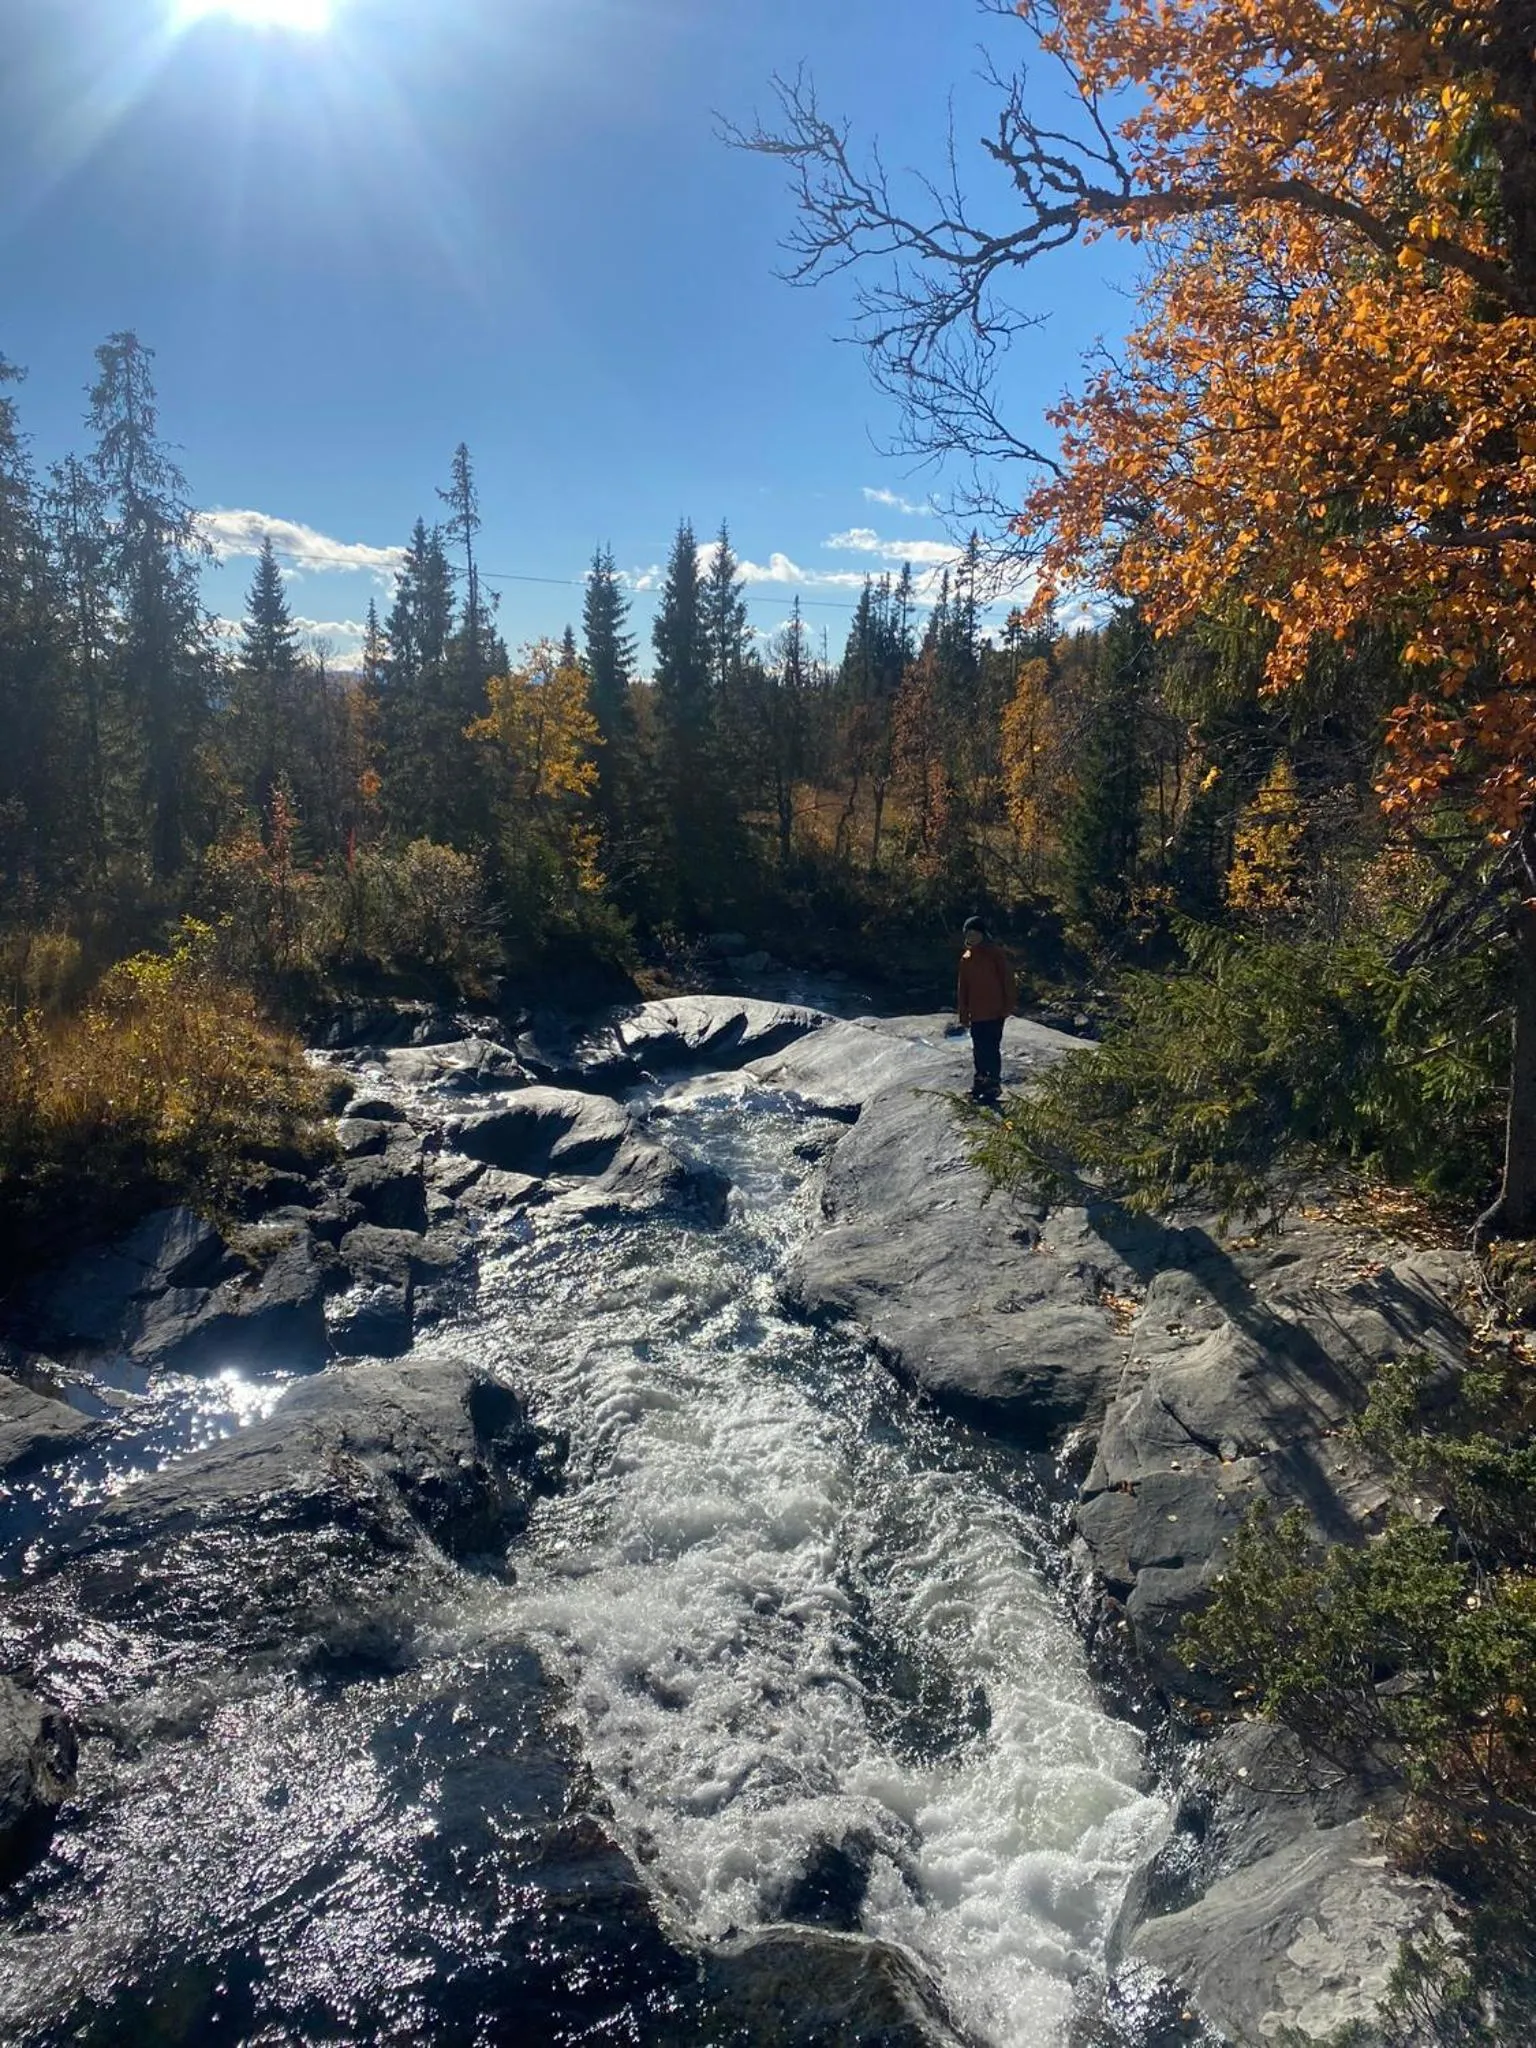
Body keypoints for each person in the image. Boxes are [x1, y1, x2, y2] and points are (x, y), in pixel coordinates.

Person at [956, 916, 1017, 1104]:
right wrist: (963, 1012)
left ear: (982, 933)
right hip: (976, 1012)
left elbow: (1007, 980)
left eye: (974, 933)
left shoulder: (995, 954)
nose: (971, 936)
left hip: (995, 1010)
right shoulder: (966, 958)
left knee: (991, 1048)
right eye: (968, 933)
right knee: (978, 1049)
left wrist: (1008, 1006)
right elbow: (963, 987)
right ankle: (980, 1082)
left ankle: (993, 1085)